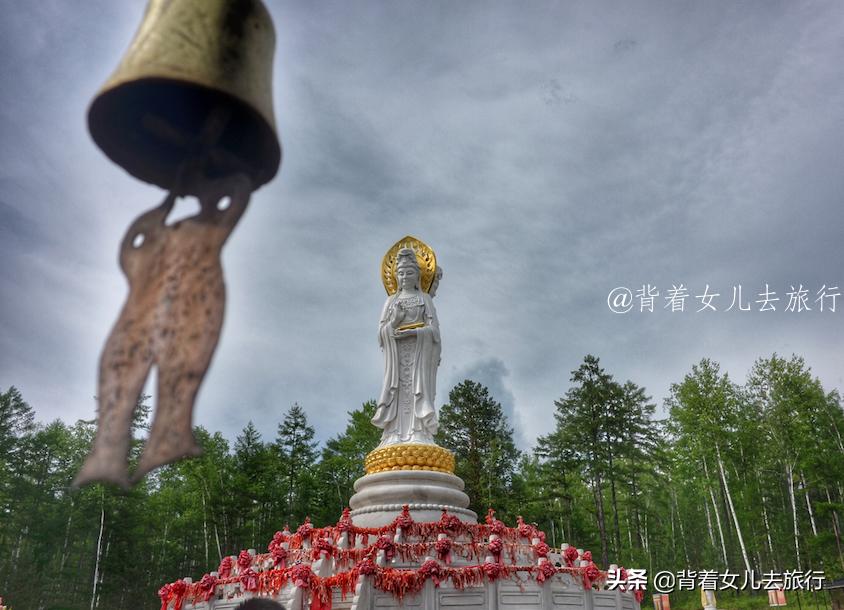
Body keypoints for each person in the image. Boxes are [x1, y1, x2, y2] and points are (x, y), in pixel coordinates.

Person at [372, 248, 441, 446]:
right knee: (398, 392)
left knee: (417, 391)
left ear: (418, 275)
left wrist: (416, 332)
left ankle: (419, 432)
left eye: (409, 272)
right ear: (395, 276)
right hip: (397, 356)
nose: (404, 277)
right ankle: (393, 433)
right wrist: (394, 322)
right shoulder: (391, 301)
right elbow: (380, 335)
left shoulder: (424, 299)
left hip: (419, 354)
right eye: (400, 273)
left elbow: (434, 332)